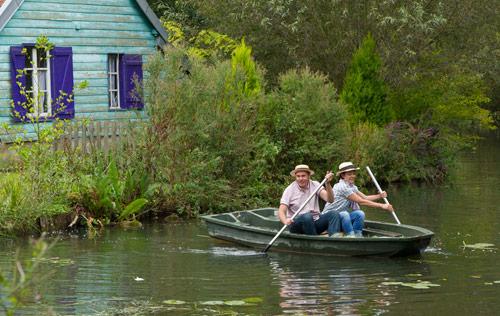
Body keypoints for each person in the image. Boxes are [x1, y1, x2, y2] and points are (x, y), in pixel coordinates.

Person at [322, 162, 394, 237]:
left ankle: (357, 235)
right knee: (345, 214)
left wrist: (379, 196)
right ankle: (350, 235)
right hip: (331, 220)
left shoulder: (351, 186)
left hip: (342, 217)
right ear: (343, 175)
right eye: (349, 174)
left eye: (353, 173)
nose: (353, 176)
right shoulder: (342, 187)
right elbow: (360, 201)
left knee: (360, 214)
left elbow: (365, 198)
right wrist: (382, 206)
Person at [278, 164, 340, 236]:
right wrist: (285, 221)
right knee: (307, 217)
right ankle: (315, 243)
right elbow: (281, 210)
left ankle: (333, 241)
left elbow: (330, 200)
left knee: (334, 214)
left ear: (309, 176)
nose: (300, 178)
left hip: (314, 222)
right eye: (298, 176)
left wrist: (327, 184)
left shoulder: (316, 185)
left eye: (303, 176)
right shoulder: (289, 190)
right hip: (297, 224)